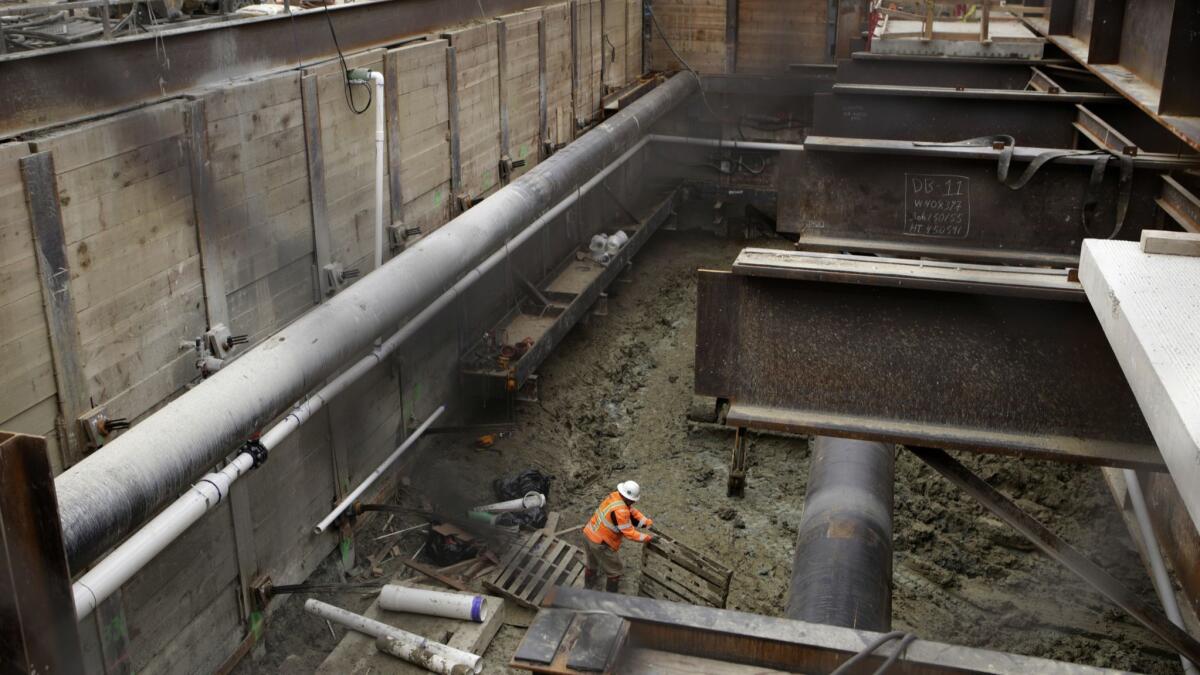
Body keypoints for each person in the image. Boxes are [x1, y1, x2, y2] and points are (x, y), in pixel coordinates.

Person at [582, 480, 653, 593]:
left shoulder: (615, 496)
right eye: (632, 500)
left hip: (589, 533)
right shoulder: (620, 511)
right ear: (629, 498)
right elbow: (630, 533)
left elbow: (632, 512)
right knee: (615, 570)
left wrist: (647, 522)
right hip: (600, 543)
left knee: (592, 563)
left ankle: (587, 587)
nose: (633, 503)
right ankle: (611, 598)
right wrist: (649, 538)